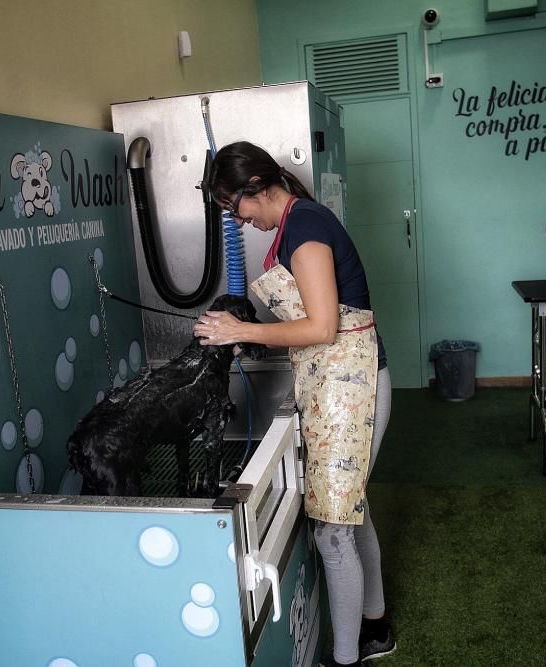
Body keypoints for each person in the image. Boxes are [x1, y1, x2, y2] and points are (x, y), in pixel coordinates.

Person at [193, 141, 395, 666]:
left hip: (355, 389)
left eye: (230, 206)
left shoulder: (304, 228)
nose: (235, 220)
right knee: (352, 514)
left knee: (332, 533)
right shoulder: (293, 225)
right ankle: (376, 627)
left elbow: (323, 327)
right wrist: (251, 337)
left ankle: (346, 658)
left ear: (254, 189)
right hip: (337, 385)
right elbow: (309, 325)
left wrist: (242, 327)